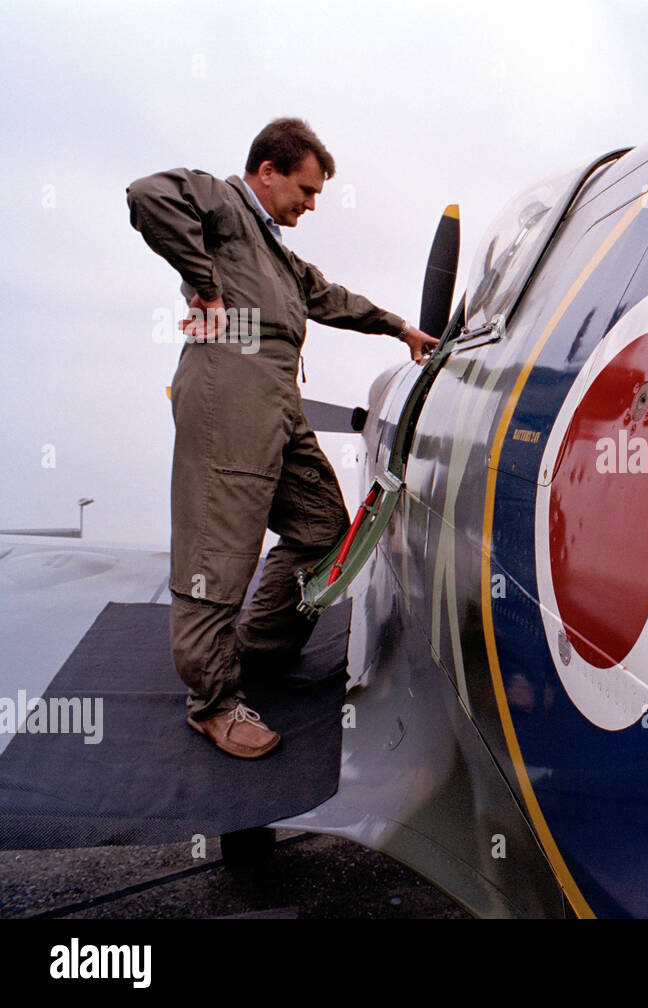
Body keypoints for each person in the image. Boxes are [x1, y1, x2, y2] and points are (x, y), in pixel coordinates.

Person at [127, 117, 437, 758]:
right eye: (305, 188)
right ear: (267, 172)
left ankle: (257, 652)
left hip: (277, 398)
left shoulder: (277, 253)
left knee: (324, 527)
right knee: (220, 548)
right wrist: (207, 289)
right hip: (229, 388)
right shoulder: (224, 203)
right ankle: (212, 702)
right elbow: (148, 195)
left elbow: (328, 296)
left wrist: (399, 328)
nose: (312, 203)